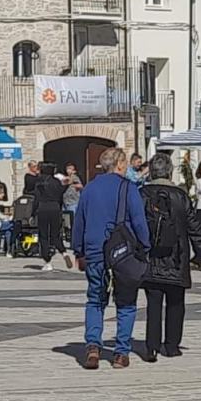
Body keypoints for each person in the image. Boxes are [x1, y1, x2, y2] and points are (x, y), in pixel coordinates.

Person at [72, 148, 150, 370]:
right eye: (124, 163)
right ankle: (121, 352)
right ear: (119, 164)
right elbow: (139, 222)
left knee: (95, 299)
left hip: (95, 251)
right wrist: (145, 247)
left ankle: (93, 347)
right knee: (126, 301)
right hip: (123, 254)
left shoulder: (89, 189)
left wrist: (79, 251)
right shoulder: (128, 188)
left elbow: (80, 222)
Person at [140, 154, 201, 362]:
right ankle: (171, 346)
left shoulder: (142, 194)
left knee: (153, 303)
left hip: (151, 256)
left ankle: (151, 347)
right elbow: (194, 225)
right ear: (169, 171)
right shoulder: (181, 196)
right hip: (177, 256)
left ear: (151, 171)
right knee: (176, 302)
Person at [35, 163, 72, 271]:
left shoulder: (39, 183)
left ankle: (48, 262)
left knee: (44, 236)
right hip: (55, 208)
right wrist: (67, 185)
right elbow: (61, 193)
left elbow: (36, 199)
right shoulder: (56, 182)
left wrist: (32, 213)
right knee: (55, 234)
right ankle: (64, 252)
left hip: (43, 208)